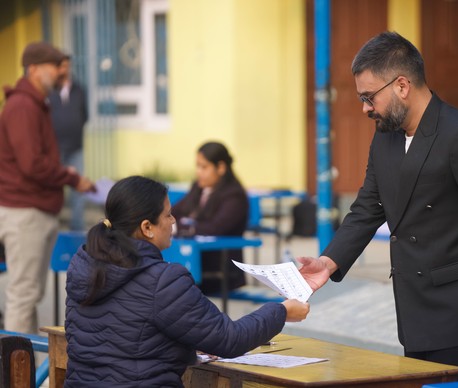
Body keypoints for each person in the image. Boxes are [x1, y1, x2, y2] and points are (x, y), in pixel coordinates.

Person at [297, 31, 458, 381]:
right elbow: (367, 207)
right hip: (414, 312)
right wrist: (328, 262)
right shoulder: (385, 136)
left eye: (368, 97)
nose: (364, 109)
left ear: (402, 85)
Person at [64, 175, 309, 386]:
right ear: (147, 227)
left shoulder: (85, 266)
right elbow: (230, 339)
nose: (173, 222)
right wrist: (281, 311)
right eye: (168, 215)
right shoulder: (163, 280)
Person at [0, 42, 95, 334]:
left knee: (28, 296)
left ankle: (20, 366)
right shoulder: (23, 105)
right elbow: (32, 164)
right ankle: (14, 373)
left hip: (33, 209)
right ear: (34, 69)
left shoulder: (35, 103)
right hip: (25, 212)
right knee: (23, 296)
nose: (60, 73)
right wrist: (70, 177)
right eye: (55, 66)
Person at [172, 141, 249, 294]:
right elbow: (174, 211)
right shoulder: (199, 187)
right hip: (197, 265)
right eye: (197, 166)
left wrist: (178, 227)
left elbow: (215, 228)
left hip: (220, 272)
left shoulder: (234, 195)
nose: (198, 172)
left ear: (220, 167)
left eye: (204, 167)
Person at [48, 56, 89, 231]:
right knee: (53, 187)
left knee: (78, 189)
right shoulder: (49, 91)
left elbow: (85, 115)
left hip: (75, 147)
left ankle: (77, 227)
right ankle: (52, 226)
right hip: (55, 149)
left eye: (67, 66)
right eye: (61, 66)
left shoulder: (79, 89)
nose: (65, 70)